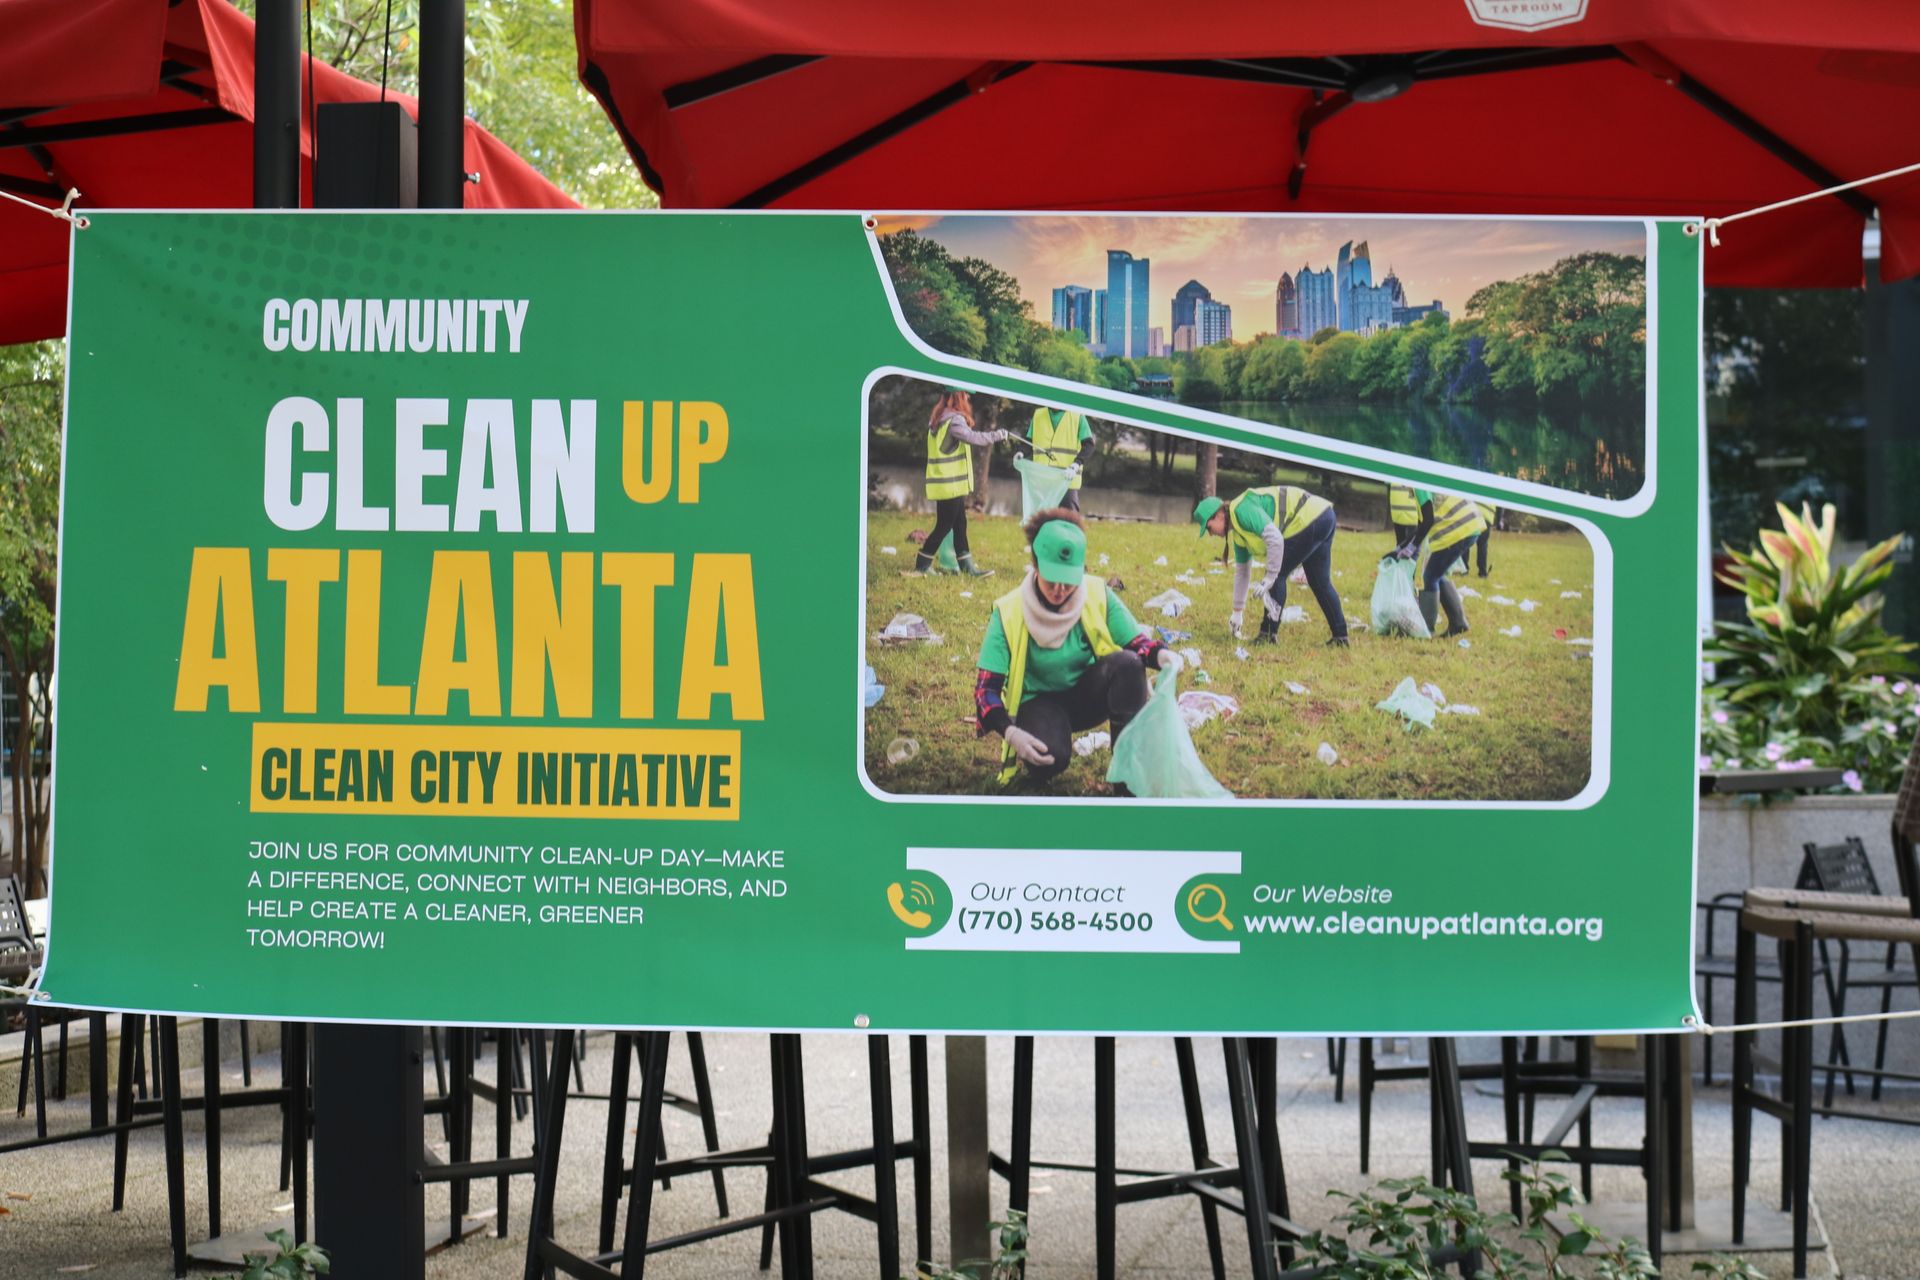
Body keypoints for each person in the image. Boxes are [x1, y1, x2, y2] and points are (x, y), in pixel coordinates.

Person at [974, 509, 1180, 790]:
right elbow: (986, 689)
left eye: (1069, 580)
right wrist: (1010, 732)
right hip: (1039, 703)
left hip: (1087, 695)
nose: (1060, 589)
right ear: (1036, 566)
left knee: (1129, 664)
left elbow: (1136, 644)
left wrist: (1162, 655)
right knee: (1050, 757)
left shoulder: (1097, 593)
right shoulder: (1008, 611)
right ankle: (1043, 756)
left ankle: (1126, 778)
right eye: (1051, 579)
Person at [1194, 485, 1349, 647]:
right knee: (1320, 582)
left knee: (1277, 576)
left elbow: (1275, 539)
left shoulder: (1242, 510)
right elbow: (1242, 573)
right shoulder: (1239, 534)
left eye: (1209, 527)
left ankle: (1268, 635)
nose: (1211, 534)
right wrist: (1237, 613)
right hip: (1323, 515)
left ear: (1219, 515)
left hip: (1309, 518)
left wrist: (1270, 576)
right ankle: (1341, 637)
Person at [907, 388, 1006, 577]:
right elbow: (973, 438)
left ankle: (967, 568)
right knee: (944, 525)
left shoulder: (939, 418)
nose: (968, 397)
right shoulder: (954, 420)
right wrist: (997, 435)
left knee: (960, 523)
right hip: (950, 484)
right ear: (958, 396)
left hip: (945, 483)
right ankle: (922, 565)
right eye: (966, 394)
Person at [1390, 488, 1487, 637]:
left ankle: (1426, 628)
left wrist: (1412, 546)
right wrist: (1401, 547)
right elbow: (1421, 525)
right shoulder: (1425, 481)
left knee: (1430, 577)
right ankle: (1458, 622)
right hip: (1470, 524)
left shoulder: (1419, 485)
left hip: (1459, 529)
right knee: (1437, 573)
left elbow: (1428, 521)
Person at [1022, 404, 1091, 511]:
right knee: (1042, 517)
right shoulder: (1038, 414)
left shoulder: (1078, 415)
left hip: (1067, 480)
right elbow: (1029, 442)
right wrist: (1021, 453)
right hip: (1043, 481)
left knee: (1068, 518)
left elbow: (1089, 445)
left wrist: (1076, 464)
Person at [1473, 502, 1499, 578]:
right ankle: (1482, 572)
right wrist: (1497, 521)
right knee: (1482, 545)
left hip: (1473, 513)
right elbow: (1500, 509)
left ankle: (1464, 569)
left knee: (1467, 541)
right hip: (1487, 517)